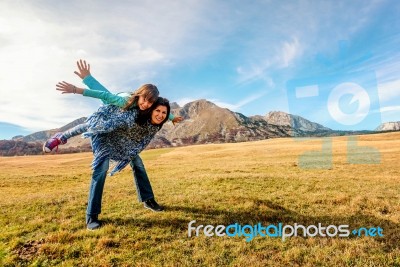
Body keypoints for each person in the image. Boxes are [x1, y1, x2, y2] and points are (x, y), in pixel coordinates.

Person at [43, 59, 182, 152]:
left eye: (149, 102)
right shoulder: (124, 101)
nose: (146, 105)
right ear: (139, 95)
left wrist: (172, 117)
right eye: (144, 100)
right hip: (112, 105)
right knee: (91, 124)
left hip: (116, 106)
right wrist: (77, 89)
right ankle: (61, 136)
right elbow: (104, 95)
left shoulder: (150, 105)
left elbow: (162, 111)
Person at [83, 97, 171, 230]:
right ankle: (91, 215)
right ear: (150, 110)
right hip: (105, 138)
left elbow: (165, 114)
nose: (160, 115)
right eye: (157, 111)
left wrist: (173, 117)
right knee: (101, 169)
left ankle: (148, 200)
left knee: (138, 163)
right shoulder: (133, 114)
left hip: (126, 145)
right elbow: (107, 95)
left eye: (164, 113)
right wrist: (82, 86)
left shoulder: (156, 124)